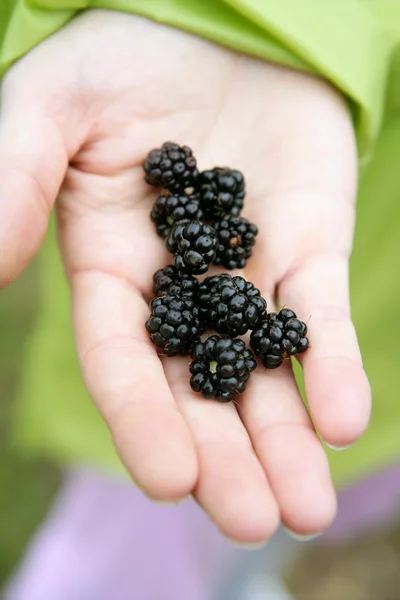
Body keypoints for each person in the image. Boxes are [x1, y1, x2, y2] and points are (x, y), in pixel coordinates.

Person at [0, 2, 399, 598]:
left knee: (295, 510)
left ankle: (240, 580)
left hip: (381, 309)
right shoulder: (193, 257)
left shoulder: (213, 266)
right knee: (138, 552)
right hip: (132, 440)